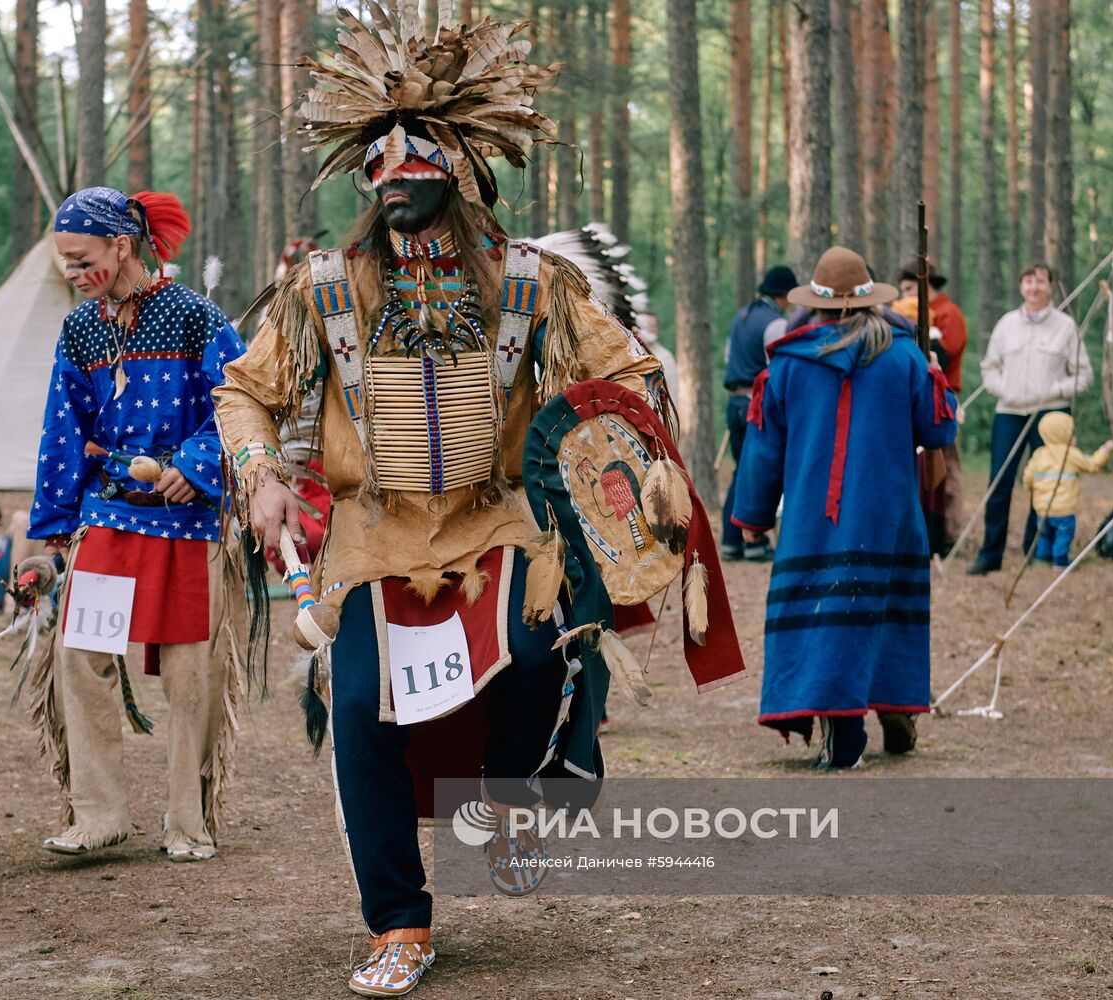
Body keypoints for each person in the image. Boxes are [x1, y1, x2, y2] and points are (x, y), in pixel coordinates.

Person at [211, 6, 740, 994]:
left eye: (423, 166)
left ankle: (502, 805)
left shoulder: (529, 283)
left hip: (498, 524)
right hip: (373, 536)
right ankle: (399, 923)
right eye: (385, 168)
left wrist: (632, 445)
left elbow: (620, 368)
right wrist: (260, 473)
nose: (401, 182)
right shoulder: (325, 290)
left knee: (536, 658)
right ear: (365, 181)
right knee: (362, 704)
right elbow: (245, 389)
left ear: (463, 177)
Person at [26, 185, 248, 863]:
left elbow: (243, 401)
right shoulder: (80, 328)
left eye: (80, 256)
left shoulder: (196, 319)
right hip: (111, 521)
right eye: (64, 259)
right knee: (80, 657)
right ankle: (98, 814)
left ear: (122, 245)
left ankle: (190, 820)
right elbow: (63, 430)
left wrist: (199, 463)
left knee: (191, 676)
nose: (70, 270)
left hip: (185, 526)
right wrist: (50, 531)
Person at [732, 246, 957, 770]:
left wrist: (753, 517)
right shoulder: (903, 356)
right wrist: (931, 371)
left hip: (815, 521)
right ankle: (895, 714)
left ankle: (847, 728)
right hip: (890, 518)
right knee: (885, 613)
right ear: (867, 300)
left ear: (817, 304)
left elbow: (763, 449)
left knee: (828, 617)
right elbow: (939, 430)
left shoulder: (787, 365)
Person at [969, 264, 1092, 575]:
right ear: (1021, 286)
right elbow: (989, 368)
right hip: (1009, 412)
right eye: (1028, 281)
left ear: (1050, 286)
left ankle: (1036, 549)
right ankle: (989, 555)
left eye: (1040, 281)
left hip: (1051, 415)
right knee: (1000, 481)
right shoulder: (1006, 324)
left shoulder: (1065, 326)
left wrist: (1053, 391)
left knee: (1046, 483)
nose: (1034, 287)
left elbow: (1084, 376)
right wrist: (1005, 390)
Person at [721, 265, 797, 562]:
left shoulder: (741, 318)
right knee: (757, 472)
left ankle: (731, 541)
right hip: (755, 405)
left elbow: (729, 358)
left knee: (742, 471)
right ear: (784, 295)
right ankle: (753, 543)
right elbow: (776, 367)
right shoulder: (775, 324)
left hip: (734, 403)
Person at [899, 262, 967, 553]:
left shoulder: (949, 313)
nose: (905, 295)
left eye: (910, 289)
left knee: (946, 470)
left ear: (924, 285)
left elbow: (947, 354)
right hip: (913, 399)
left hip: (942, 399)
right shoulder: (905, 313)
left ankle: (949, 533)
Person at [1020, 413, 1113, 567]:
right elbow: (1091, 465)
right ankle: (1060, 561)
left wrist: (1029, 488)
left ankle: (1043, 558)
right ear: (1063, 434)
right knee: (1063, 535)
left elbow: (1028, 477)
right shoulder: (1069, 454)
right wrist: (1105, 449)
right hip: (1063, 509)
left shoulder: (1039, 454)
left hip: (1042, 507)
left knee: (1044, 534)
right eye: (1071, 433)